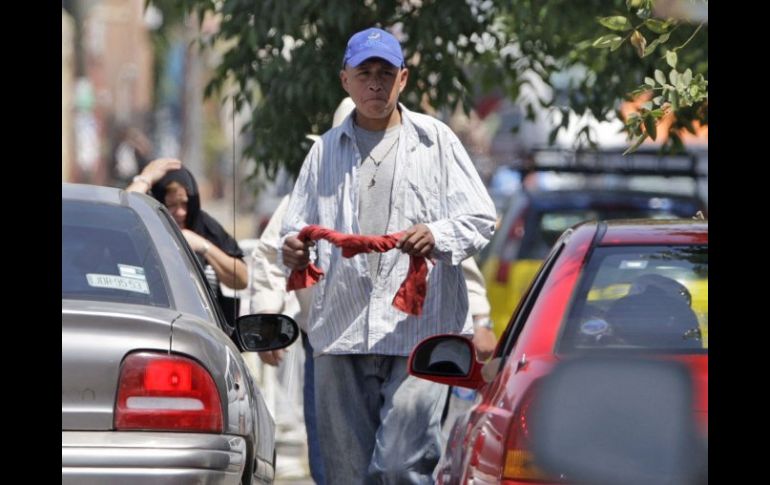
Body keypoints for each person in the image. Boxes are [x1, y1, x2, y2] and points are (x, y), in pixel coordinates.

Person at [280, 27, 496, 483]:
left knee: (402, 467)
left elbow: (480, 218)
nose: (375, 83)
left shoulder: (436, 142)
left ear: (403, 80)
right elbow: (293, 228)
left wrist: (435, 234)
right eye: (365, 73)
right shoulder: (322, 152)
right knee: (347, 475)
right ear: (346, 81)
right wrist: (296, 249)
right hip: (342, 332)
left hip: (419, 331)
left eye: (385, 73)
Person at [127, 158, 248, 326]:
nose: (181, 212)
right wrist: (145, 178)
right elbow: (122, 211)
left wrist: (204, 247)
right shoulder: (144, 231)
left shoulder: (205, 227)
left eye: (185, 203)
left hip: (207, 330)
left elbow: (242, 279)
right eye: (171, 205)